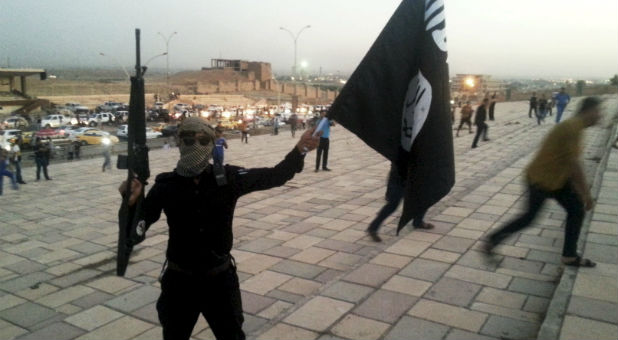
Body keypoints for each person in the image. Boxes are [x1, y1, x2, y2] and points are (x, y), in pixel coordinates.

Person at [118, 117, 321, 340]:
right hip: (179, 282)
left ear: (211, 143)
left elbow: (276, 175)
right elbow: (136, 233)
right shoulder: (166, 186)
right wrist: (131, 204)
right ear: (179, 143)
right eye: (188, 139)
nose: (195, 145)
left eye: (202, 140)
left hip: (219, 280)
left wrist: (300, 149)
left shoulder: (227, 179)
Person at [484, 97, 603, 268]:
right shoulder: (572, 128)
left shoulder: (575, 127)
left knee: (575, 210)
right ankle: (492, 240)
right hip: (541, 180)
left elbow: (570, 163)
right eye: (599, 112)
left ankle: (569, 255)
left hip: (556, 179)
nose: (600, 116)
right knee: (529, 218)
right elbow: (574, 165)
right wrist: (586, 194)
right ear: (589, 111)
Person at [366, 163, 434, 242]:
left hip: (408, 175)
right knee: (393, 204)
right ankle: (373, 227)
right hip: (402, 177)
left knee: (422, 198)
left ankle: (418, 221)